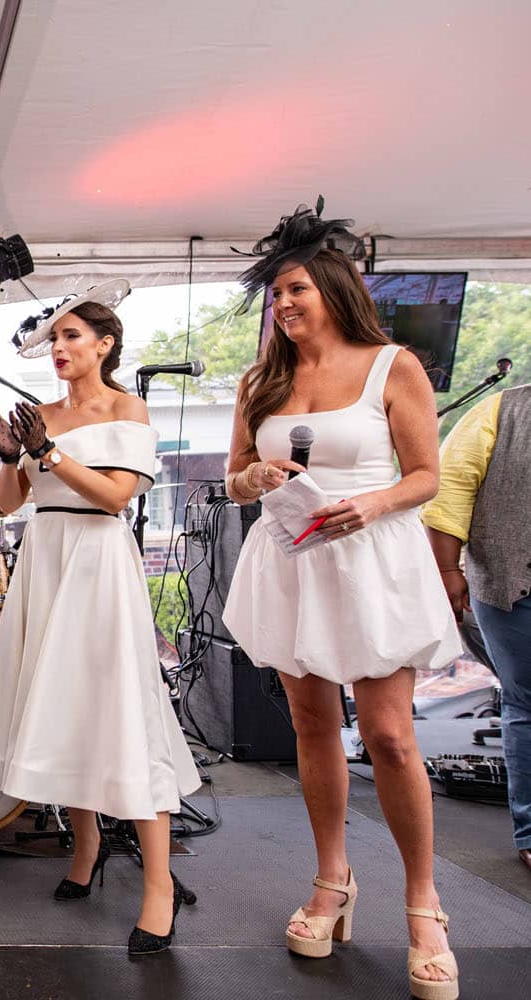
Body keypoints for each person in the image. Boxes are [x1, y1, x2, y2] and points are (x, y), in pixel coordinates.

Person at [220, 202, 461, 999]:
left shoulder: (395, 365)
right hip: (292, 559)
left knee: (390, 737)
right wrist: (252, 480)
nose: (283, 306)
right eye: (274, 296)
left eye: (294, 290)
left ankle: (424, 905)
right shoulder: (261, 380)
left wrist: (378, 503)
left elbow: (427, 474)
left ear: (331, 284)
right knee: (311, 724)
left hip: (370, 559)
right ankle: (333, 882)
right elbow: (230, 479)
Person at [0, 279, 201, 956]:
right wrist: (14, 455)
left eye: (72, 336)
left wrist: (51, 452)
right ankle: (87, 845)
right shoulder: (41, 413)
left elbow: (117, 495)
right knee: (61, 703)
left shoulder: (129, 408)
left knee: (119, 708)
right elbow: (11, 502)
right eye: (54, 338)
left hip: (97, 559)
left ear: (105, 344)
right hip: (46, 555)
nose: (59, 347)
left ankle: (158, 886)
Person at [422, 383, 531, 874]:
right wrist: (448, 570)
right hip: (516, 582)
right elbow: (450, 490)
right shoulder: (500, 409)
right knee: (526, 703)